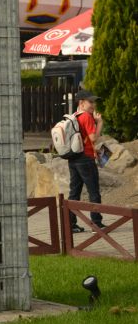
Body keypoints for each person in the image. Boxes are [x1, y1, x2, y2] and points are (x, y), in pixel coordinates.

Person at [69, 89, 105, 233]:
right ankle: (96, 224)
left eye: (94, 102)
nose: (93, 105)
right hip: (86, 159)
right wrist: (99, 122)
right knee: (94, 191)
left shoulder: (74, 116)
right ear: (81, 103)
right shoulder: (86, 117)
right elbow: (93, 139)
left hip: (74, 158)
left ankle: (71, 225)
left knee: (74, 192)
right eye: (90, 102)